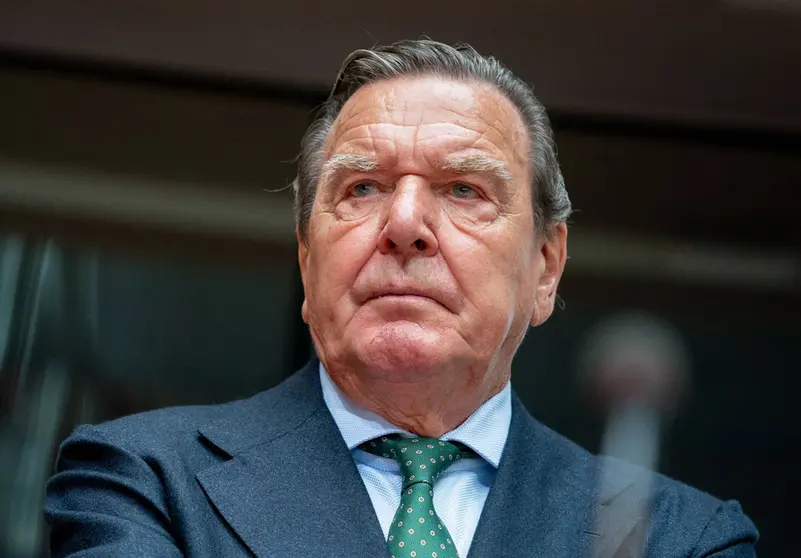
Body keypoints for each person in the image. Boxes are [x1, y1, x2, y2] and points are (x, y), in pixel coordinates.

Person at [44, 39, 758, 557]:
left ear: (545, 267)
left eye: (462, 190)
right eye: (362, 188)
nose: (406, 225)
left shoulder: (682, 537)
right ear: (306, 257)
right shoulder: (144, 482)